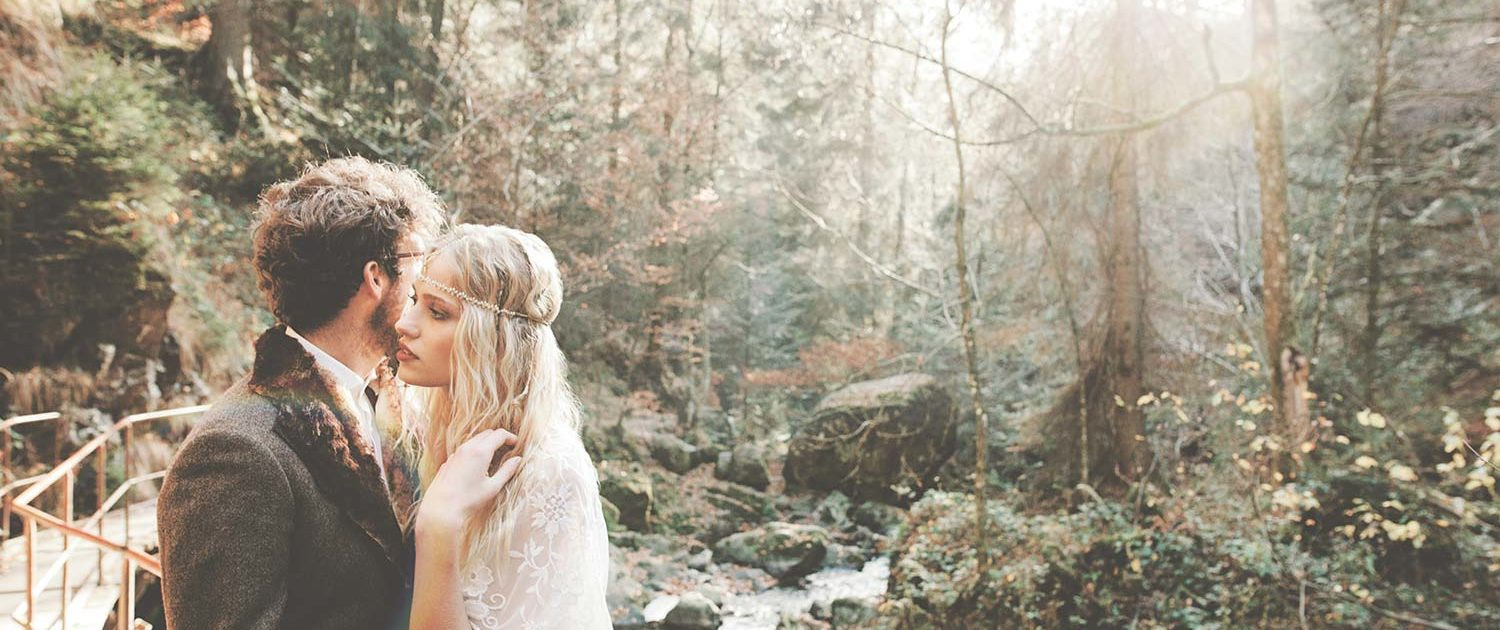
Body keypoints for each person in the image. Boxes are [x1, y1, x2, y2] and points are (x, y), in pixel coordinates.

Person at [156, 157, 444, 629]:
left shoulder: (390, 402)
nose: (424, 290)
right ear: (376, 277)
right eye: (419, 268)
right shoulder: (235, 451)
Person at [393, 223, 612, 628]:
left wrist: (438, 525)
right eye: (413, 301)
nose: (404, 324)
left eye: (437, 311)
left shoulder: (550, 472)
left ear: (494, 340)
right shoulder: (433, 433)